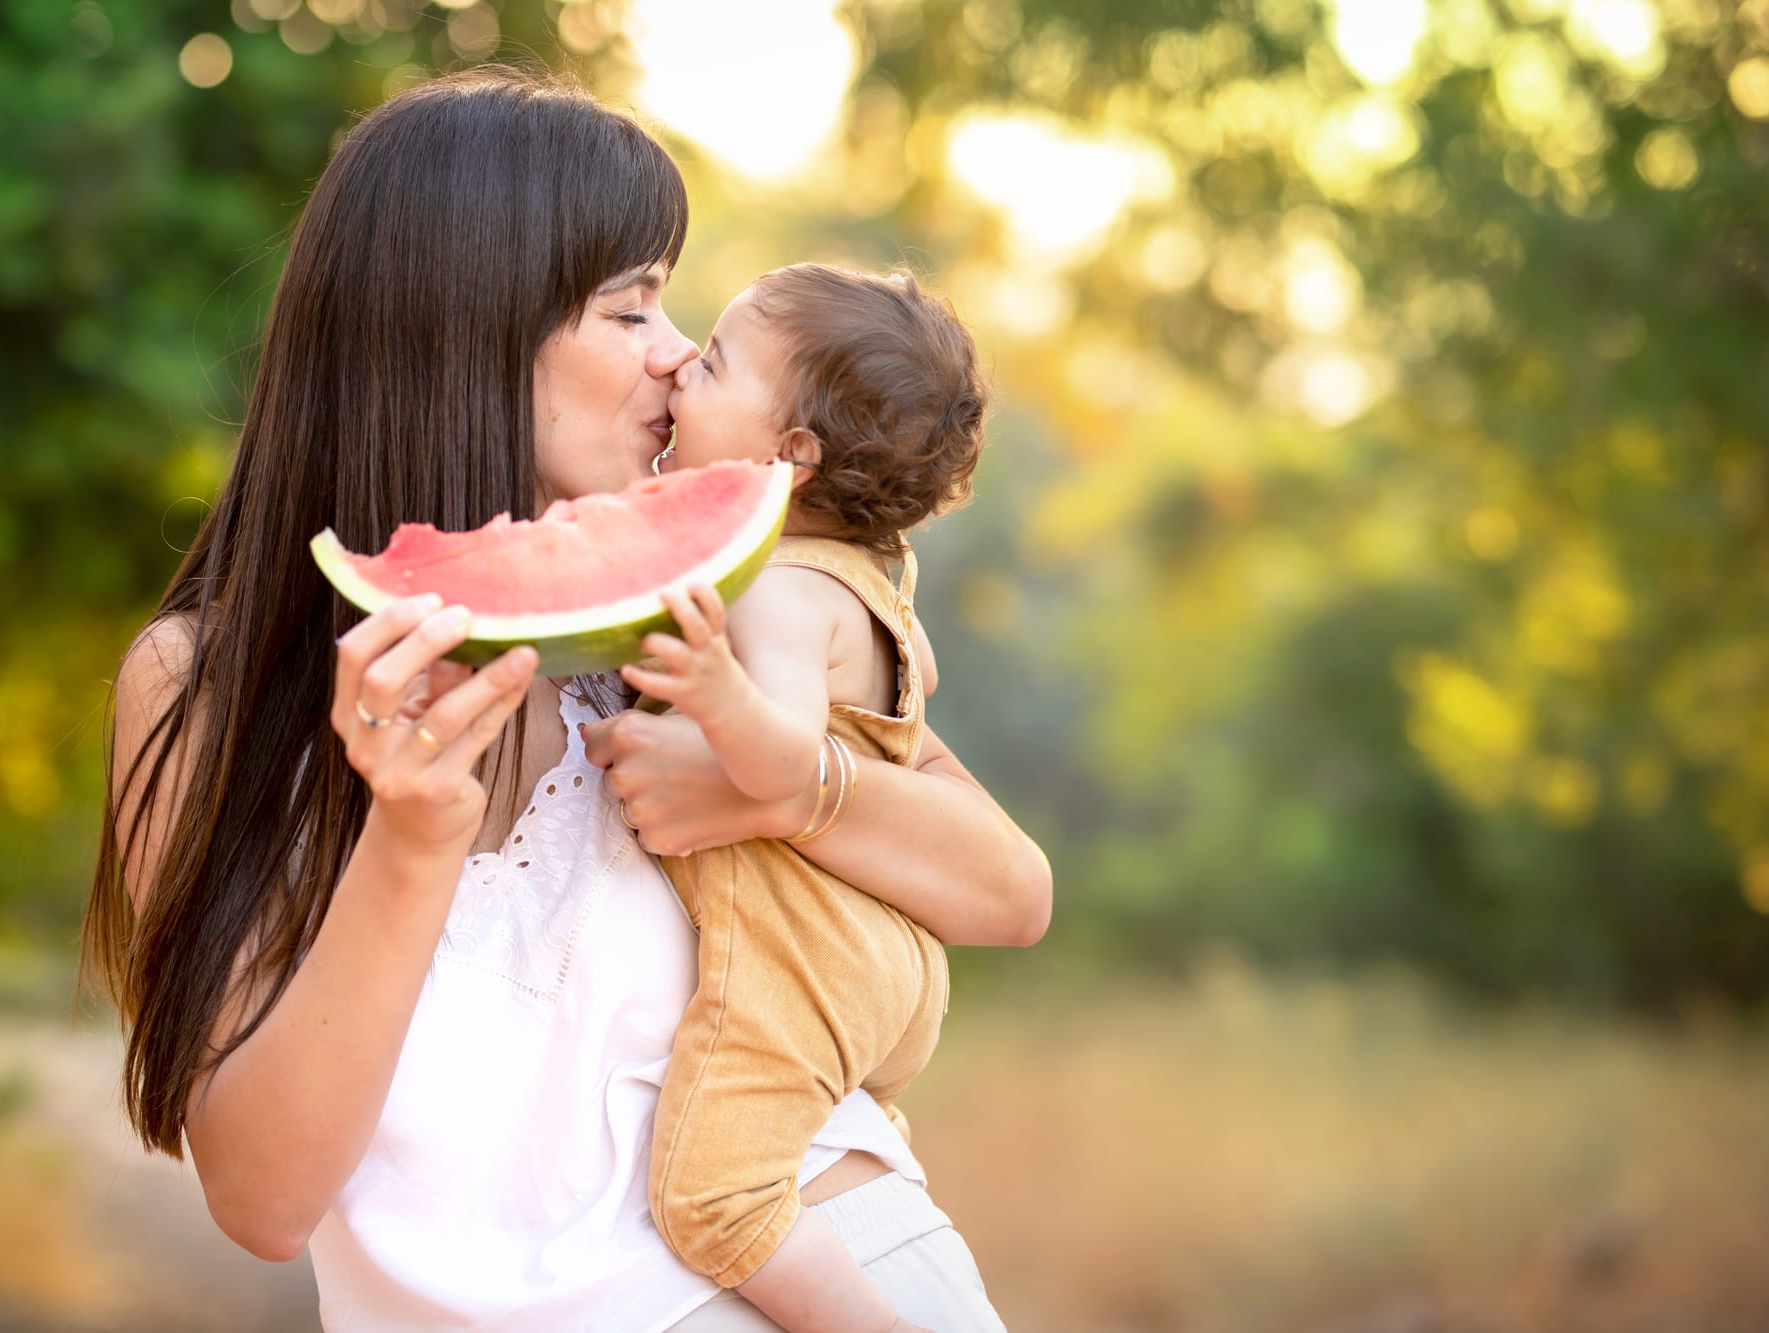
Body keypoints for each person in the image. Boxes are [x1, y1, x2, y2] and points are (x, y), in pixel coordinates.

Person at [80, 67, 1049, 1333]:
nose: (671, 355)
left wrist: (778, 787)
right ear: (469, 323)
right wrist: (410, 838)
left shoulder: (693, 614)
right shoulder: (196, 687)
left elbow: (1010, 891)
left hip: (858, 1263)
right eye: (629, 307)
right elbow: (262, 1199)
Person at [624, 263, 991, 1332]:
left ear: (790, 454)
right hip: (880, 957)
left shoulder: (780, 594)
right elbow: (914, 674)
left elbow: (782, 766)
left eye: (715, 361)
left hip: (800, 964)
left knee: (713, 1204)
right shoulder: (869, 569)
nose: (681, 364)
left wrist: (712, 691)